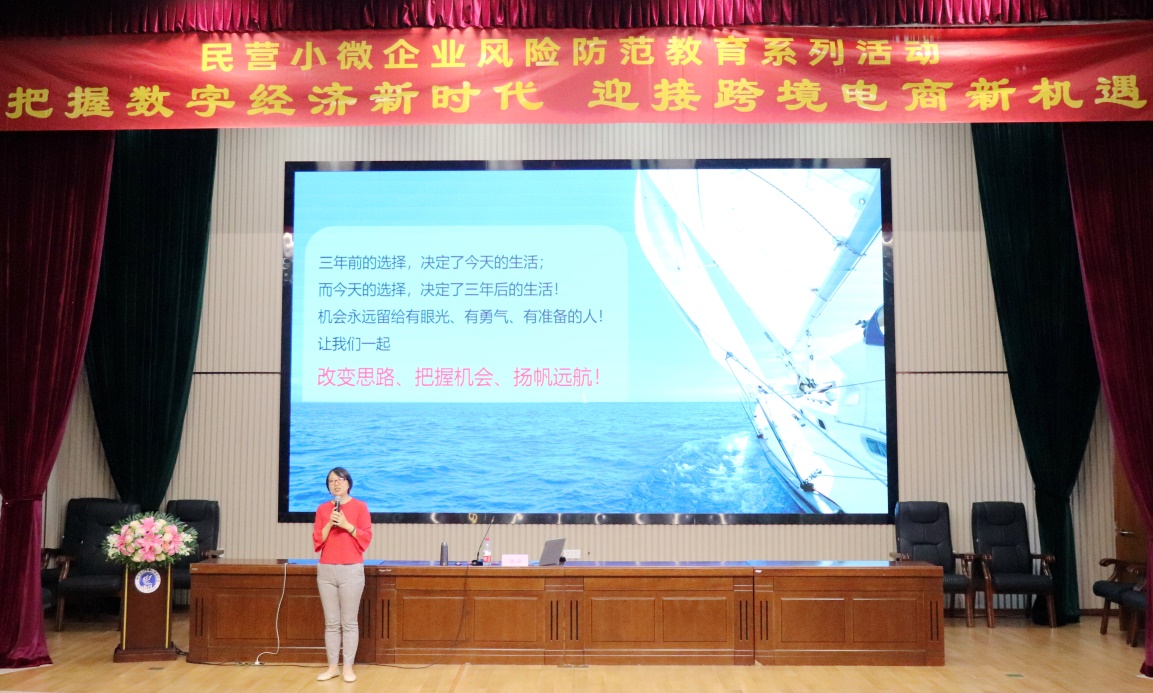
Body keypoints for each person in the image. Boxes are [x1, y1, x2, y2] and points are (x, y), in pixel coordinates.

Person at [313, 467, 372, 683]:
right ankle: (332, 667)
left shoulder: (360, 507)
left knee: (349, 622)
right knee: (331, 622)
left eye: (340, 479)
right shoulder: (322, 510)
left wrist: (347, 525)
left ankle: (348, 667)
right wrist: (331, 522)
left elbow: (366, 537)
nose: (336, 484)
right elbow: (318, 540)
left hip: (351, 569)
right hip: (326, 569)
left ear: (348, 483)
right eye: (331, 481)